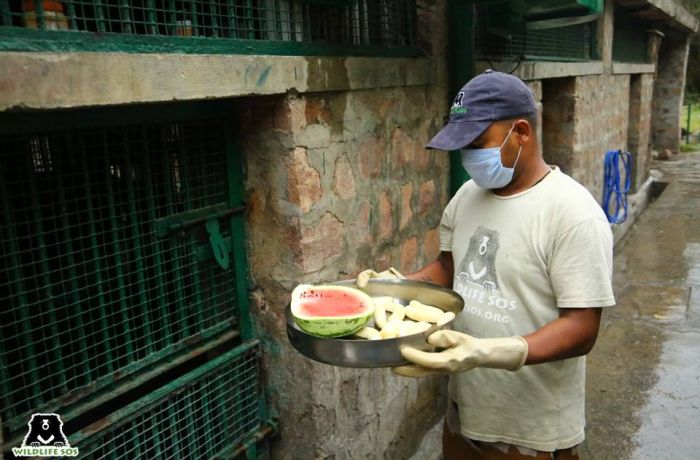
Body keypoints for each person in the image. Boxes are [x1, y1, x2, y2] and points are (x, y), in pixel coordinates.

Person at [356, 70, 615, 459]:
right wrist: (388, 289)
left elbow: (582, 329)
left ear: (522, 132)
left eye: (478, 144)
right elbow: (447, 269)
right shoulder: (467, 196)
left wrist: (486, 351)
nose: (470, 158)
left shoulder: (573, 214)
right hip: (464, 409)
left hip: (531, 430)